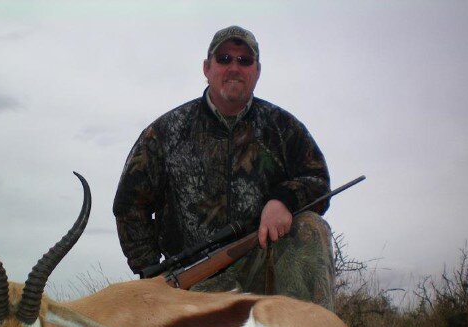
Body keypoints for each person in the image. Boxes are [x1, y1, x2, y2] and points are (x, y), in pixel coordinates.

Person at [113, 26, 335, 310]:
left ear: (257, 71)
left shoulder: (282, 127)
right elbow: (130, 205)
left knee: (311, 228)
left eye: (244, 61)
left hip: (263, 262)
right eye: (224, 59)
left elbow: (317, 179)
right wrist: (150, 273)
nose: (234, 67)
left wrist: (283, 200)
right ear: (207, 68)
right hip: (193, 280)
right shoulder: (166, 132)